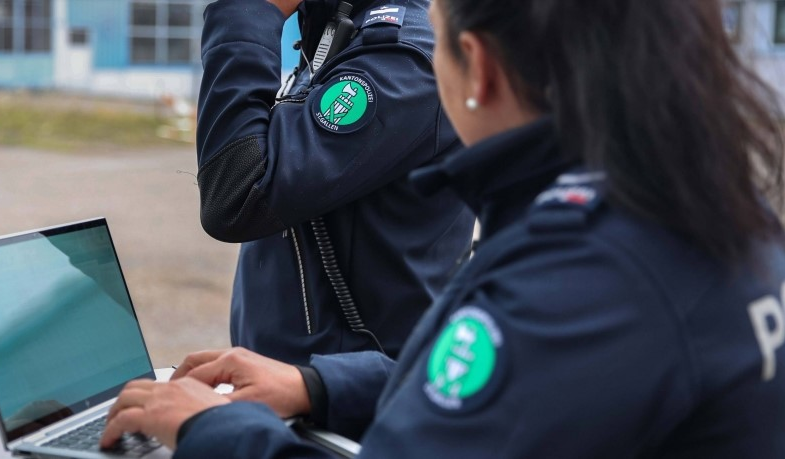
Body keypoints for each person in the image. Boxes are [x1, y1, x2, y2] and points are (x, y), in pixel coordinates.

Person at [102, 0, 785, 456]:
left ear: (477, 68)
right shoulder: (698, 211)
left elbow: (524, 352)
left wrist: (210, 426)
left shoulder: (578, 275)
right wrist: (320, 386)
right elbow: (534, 381)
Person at [195, 0, 475, 364]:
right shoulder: (344, 36)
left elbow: (235, 196)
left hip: (349, 401)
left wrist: (247, 11)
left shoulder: (400, 57)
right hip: (293, 386)